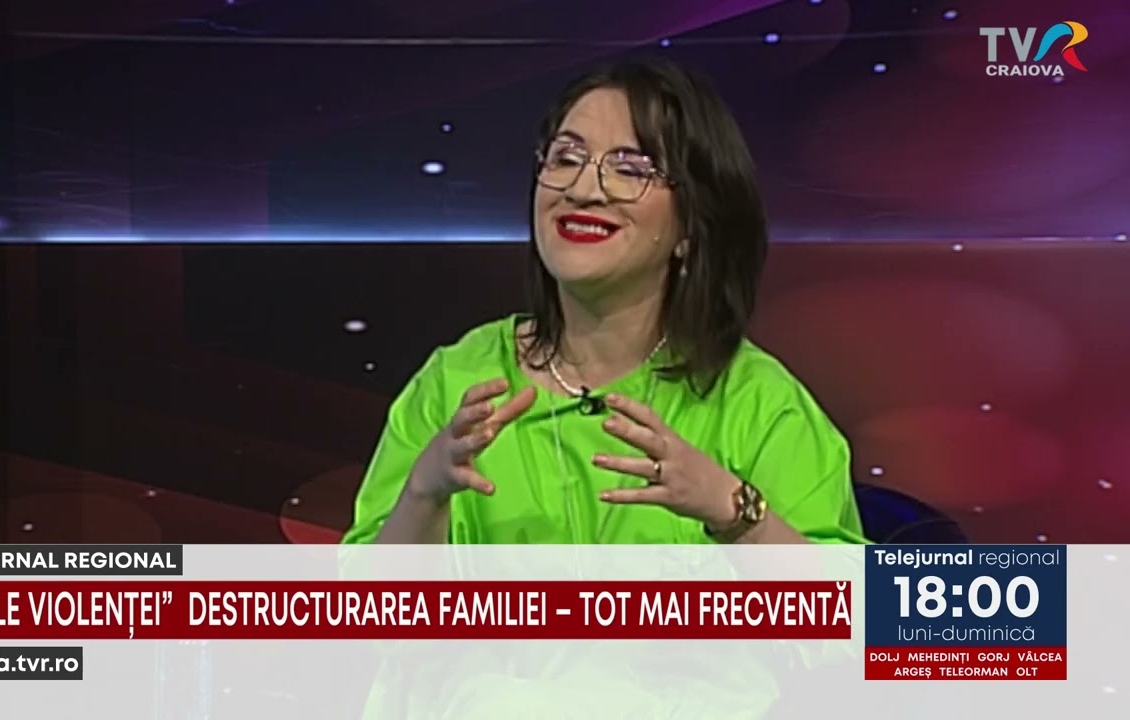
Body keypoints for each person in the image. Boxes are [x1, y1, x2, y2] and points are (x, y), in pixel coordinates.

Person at [342, 58, 867, 545]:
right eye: (566, 158)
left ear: (692, 226)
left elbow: (867, 610)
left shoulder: (759, 404)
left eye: (630, 168)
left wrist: (734, 510)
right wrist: (424, 493)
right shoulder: (457, 383)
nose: (583, 189)